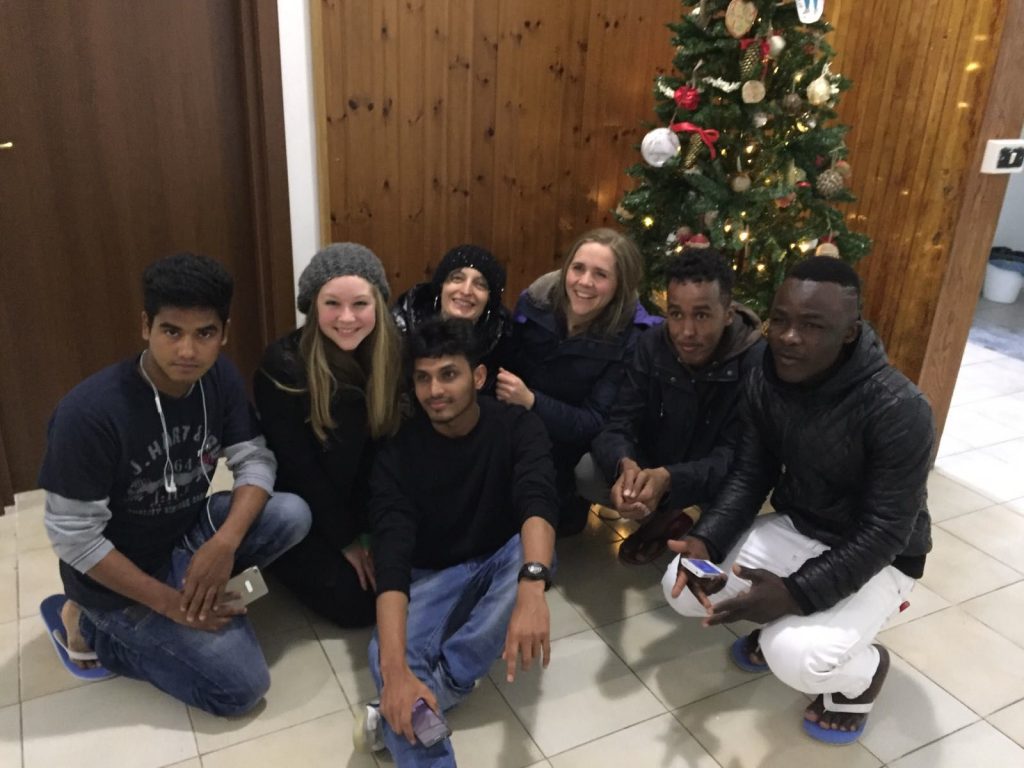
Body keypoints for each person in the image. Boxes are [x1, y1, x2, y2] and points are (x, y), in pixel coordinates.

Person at [662, 257, 933, 745]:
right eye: (781, 320)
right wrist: (706, 538)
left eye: (812, 325)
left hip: (884, 556)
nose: (788, 337)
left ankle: (863, 674)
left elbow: (886, 531)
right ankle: (789, 624)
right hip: (802, 525)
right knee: (681, 583)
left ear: (849, 332)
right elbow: (751, 473)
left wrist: (794, 595)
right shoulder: (765, 377)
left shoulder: (900, 407)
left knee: (797, 659)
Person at [39, 252, 312, 716]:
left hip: (185, 534)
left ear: (223, 333)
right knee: (241, 688)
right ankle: (91, 625)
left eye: (204, 334)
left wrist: (224, 543)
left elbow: (255, 459)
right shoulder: (89, 414)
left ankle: (205, 594)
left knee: (292, 514)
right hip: (115, 583)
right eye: (172, 331)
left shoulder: (218, 376)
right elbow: (74, 538)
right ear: (146, 326)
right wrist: (169, 604)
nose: (187, 351)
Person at [357, 318, 558, 767]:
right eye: (423, 379)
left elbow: (538, 500)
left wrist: (532, 588)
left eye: (449, 374)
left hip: (500, 557)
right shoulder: (398, 454)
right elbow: (392, 557)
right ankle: (415, 718)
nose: (435, 391)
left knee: (537, 557)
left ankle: (417, 699)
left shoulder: (517, 427)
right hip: (433, 574)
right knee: (385, 655)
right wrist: (394, 671)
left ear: (479, 377)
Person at [254, 243, 403, 627]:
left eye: (361, 304)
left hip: (359, 502)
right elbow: (299, 470)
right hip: (304, 507)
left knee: (402, 582)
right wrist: (346, 541)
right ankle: (272, 558)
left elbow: (385, 454)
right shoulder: (283, 368)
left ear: (379, 306)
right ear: (312, 306)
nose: (347, 318)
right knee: (358, 606)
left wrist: (372, 533)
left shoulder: (391, 354)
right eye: (332, 304)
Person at [587, 247, 764, 564]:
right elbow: (618, 423)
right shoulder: (651, 344)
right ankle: (665, 516)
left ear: (727, 314)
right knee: (585, 472)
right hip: (657, 466)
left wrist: (670, 478)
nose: (686, 332)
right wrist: (626, 466)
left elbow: (742, 460)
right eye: (676, 314)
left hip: (712, 479)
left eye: (702, 315)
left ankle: (682, 518)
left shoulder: (755, 361)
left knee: (731, 545)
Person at [497, 228, 659, 535]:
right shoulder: (534, 304)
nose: (585, 282)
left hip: (570, 441)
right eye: (578, 268)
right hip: (518, 423)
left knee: (558, 523)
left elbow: (597, 423)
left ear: (619, 285)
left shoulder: (631, 338)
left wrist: (531, 401)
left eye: (600, 274)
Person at [392, 244, 510, 391]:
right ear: (441, 287)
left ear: (489, 300)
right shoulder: (400, 332)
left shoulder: (504, 340)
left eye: (480, 285)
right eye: (457, 279)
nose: (466, 291)